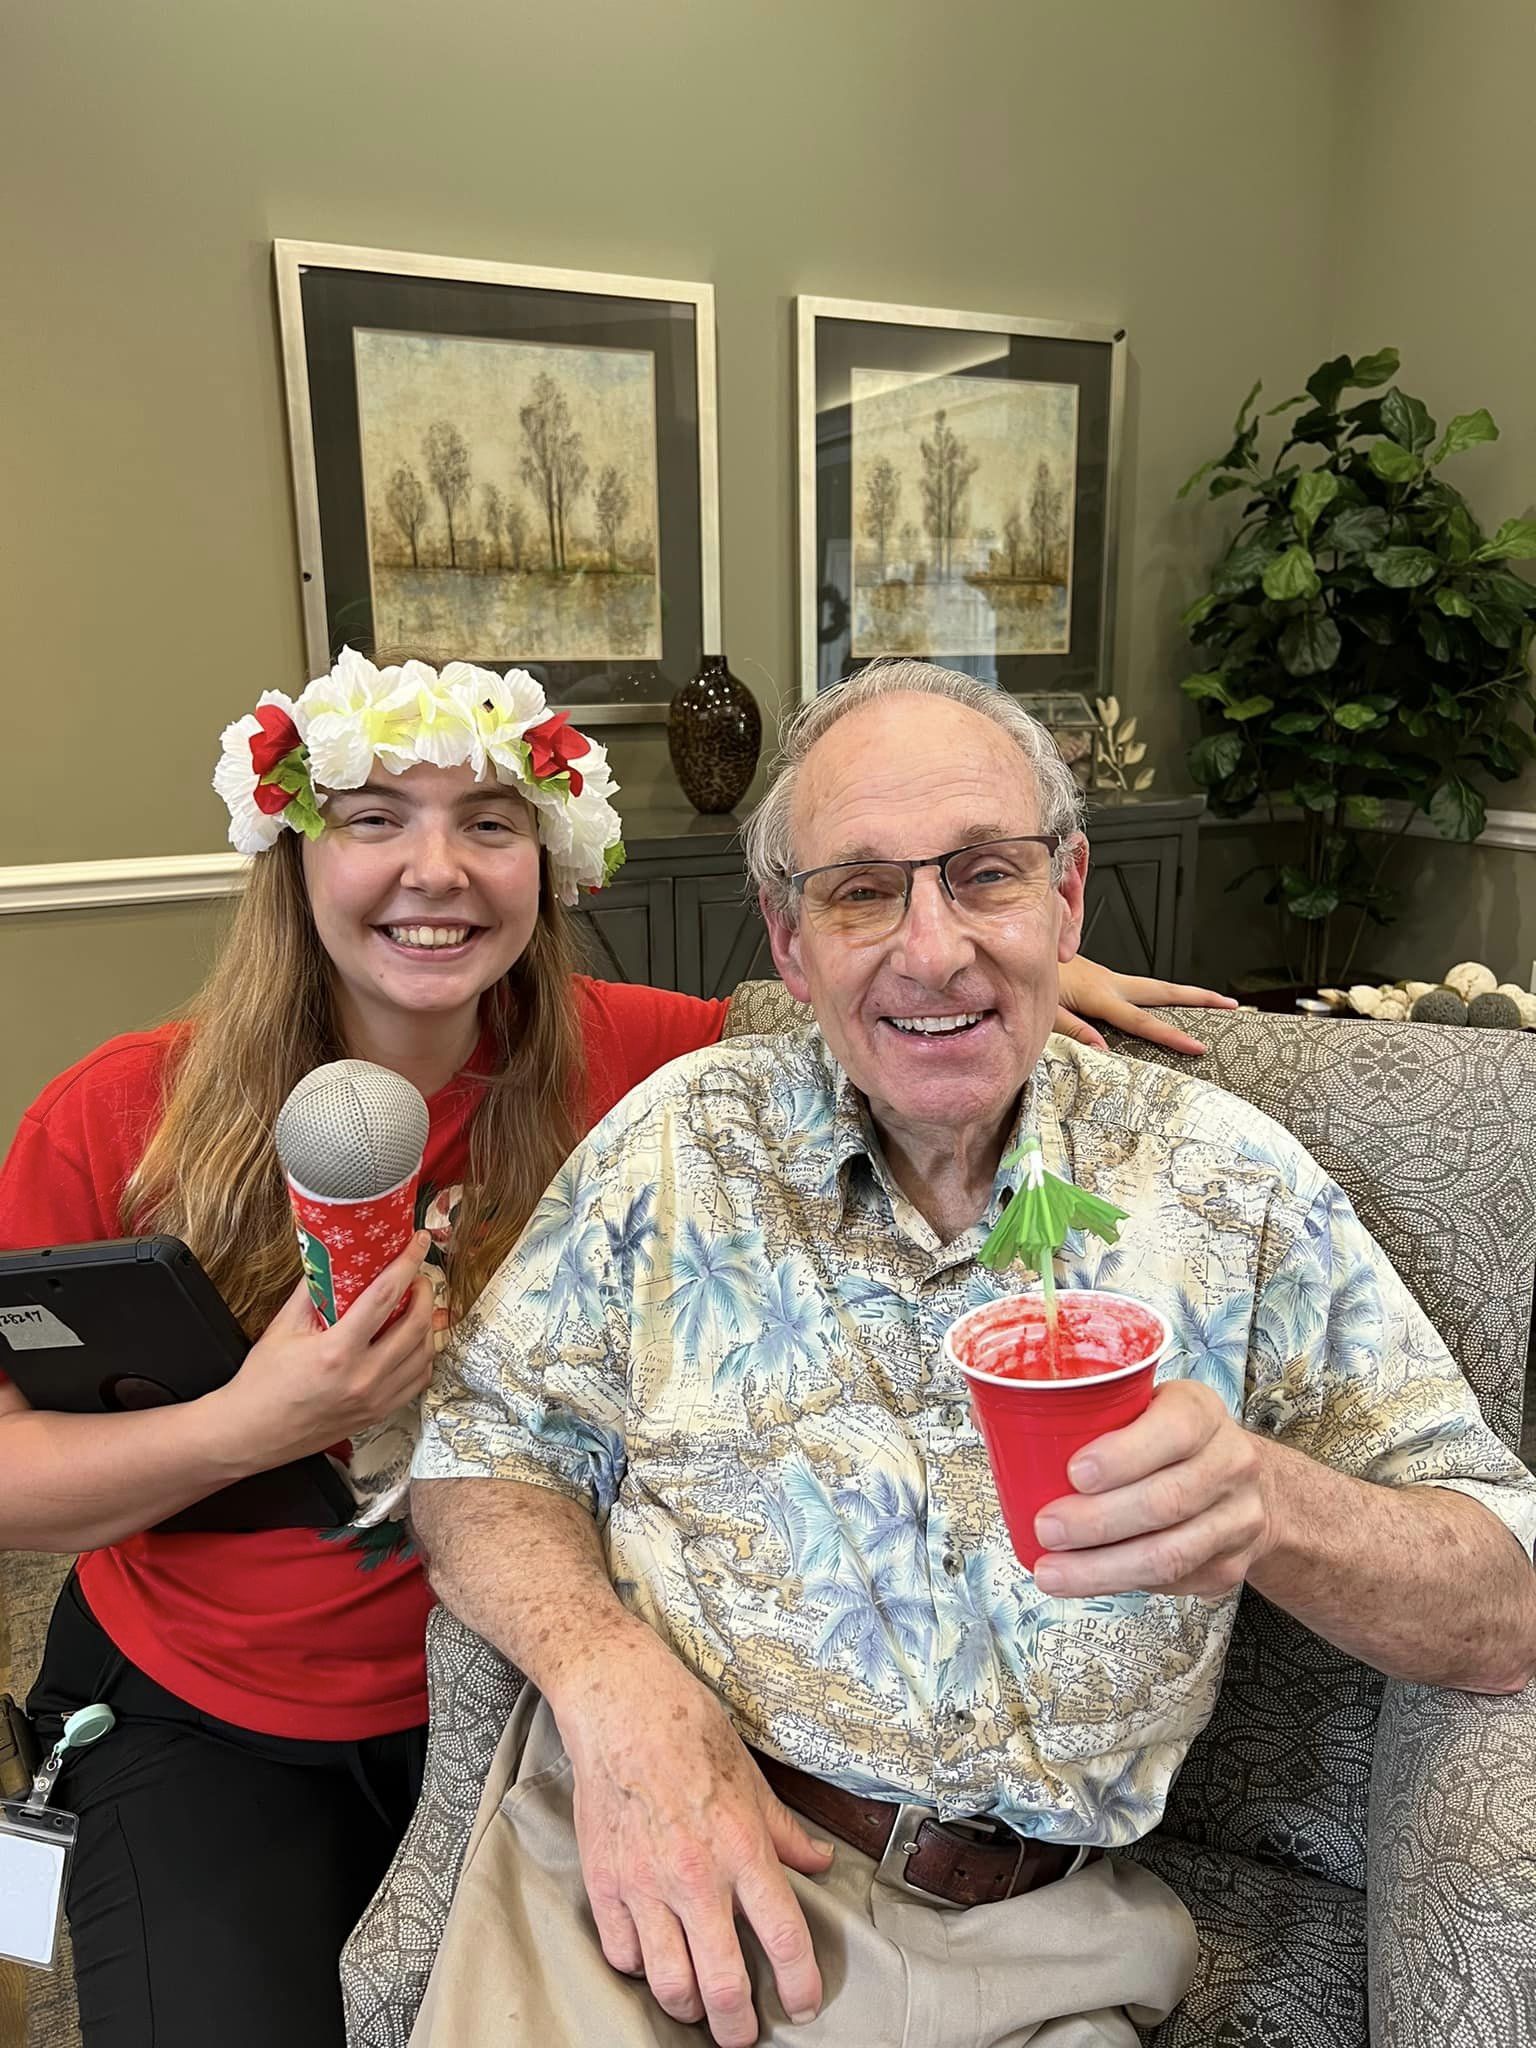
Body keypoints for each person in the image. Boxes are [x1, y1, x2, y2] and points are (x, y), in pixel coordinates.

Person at [0, 650, 1220, 2048]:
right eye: (375, 818)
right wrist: (261, 1422)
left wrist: (1018, 969)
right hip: (213, 1712)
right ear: (291, 856)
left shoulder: (636, 1065)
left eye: (492, 823)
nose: (438, 869)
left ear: (551, 859)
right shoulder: (115, 1120)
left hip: (514, 1686)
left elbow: (859, 1011)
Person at [408, 660, 1536, 2048]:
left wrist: (1274, 1505)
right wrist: (606, 1680)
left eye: (985, 876)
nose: (931, 949)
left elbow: (1507, 1603)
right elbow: (477, 1455)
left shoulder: (1224, 1186)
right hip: (663, 1869)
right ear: (788, 934)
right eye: (863, 889)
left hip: (1043, 1948)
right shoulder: (682, 1144)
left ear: (1067, 898)